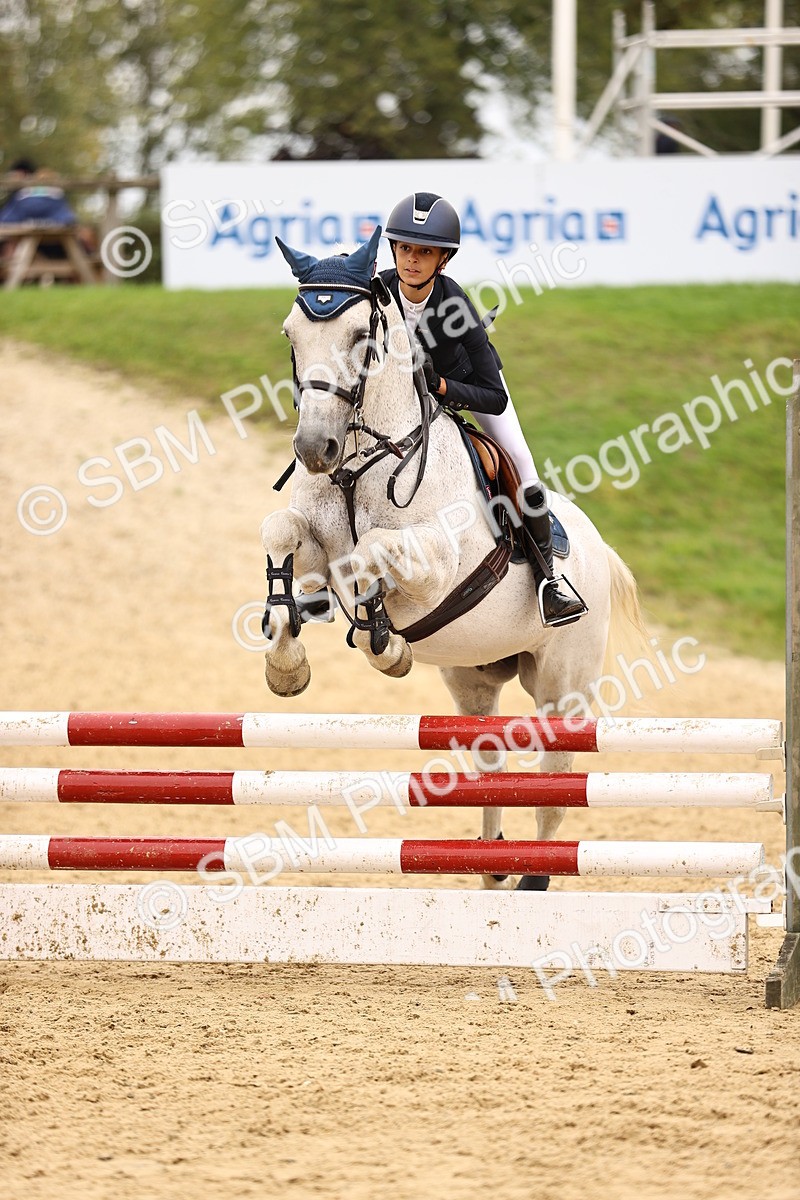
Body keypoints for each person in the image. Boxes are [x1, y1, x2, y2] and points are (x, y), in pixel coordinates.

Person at [380, 191, 586, 627]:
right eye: (404, 248)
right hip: (408, 397)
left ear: (443, 260)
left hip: (470, 382)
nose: (411, 260)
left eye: (425, 251)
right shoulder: (377, 291)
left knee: (524, 466)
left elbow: (495, 397)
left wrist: (441, 386)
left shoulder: (459, 310)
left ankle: (549, 581)